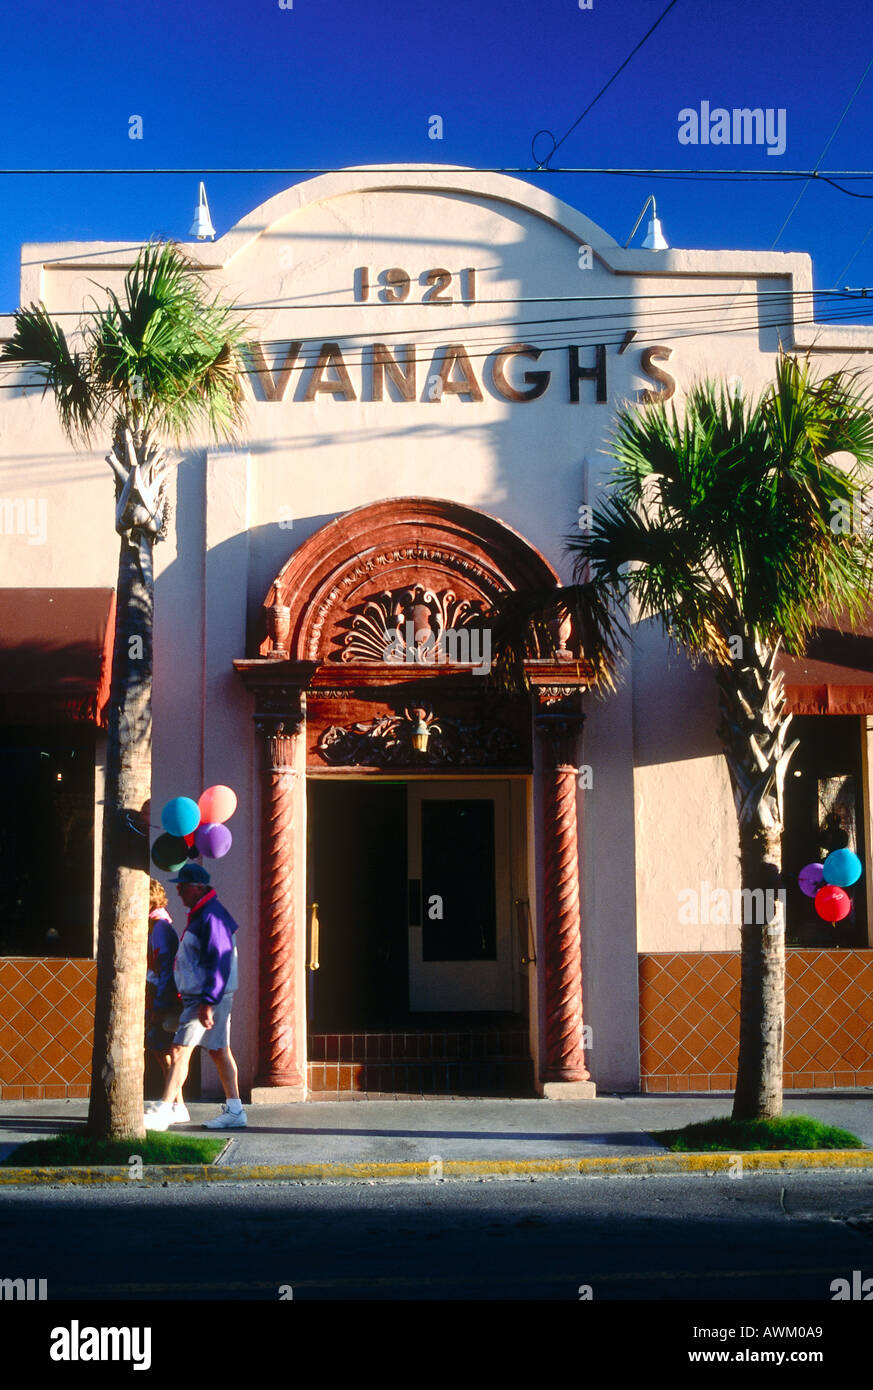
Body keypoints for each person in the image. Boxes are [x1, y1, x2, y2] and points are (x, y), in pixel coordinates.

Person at [144, 862, 247, 1131]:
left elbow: (220, 960)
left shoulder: (210, 917)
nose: (178, 891)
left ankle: (165, 1109)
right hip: (204, 998)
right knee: (218, 1051)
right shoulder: (204, 913)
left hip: (204, 999)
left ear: (198, 887)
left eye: (183, 886)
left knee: (179, 1050)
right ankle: (234, 1110)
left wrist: (208, 1003)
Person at [144, 879, 186, 1119]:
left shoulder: (159, 928)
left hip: (161, 998)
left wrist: (158, 1007)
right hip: (160, 997)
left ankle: (176, 1105)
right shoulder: (159, 925)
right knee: (162, 1052)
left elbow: (164, 970)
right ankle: (176, 1104)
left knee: (164, 1051)